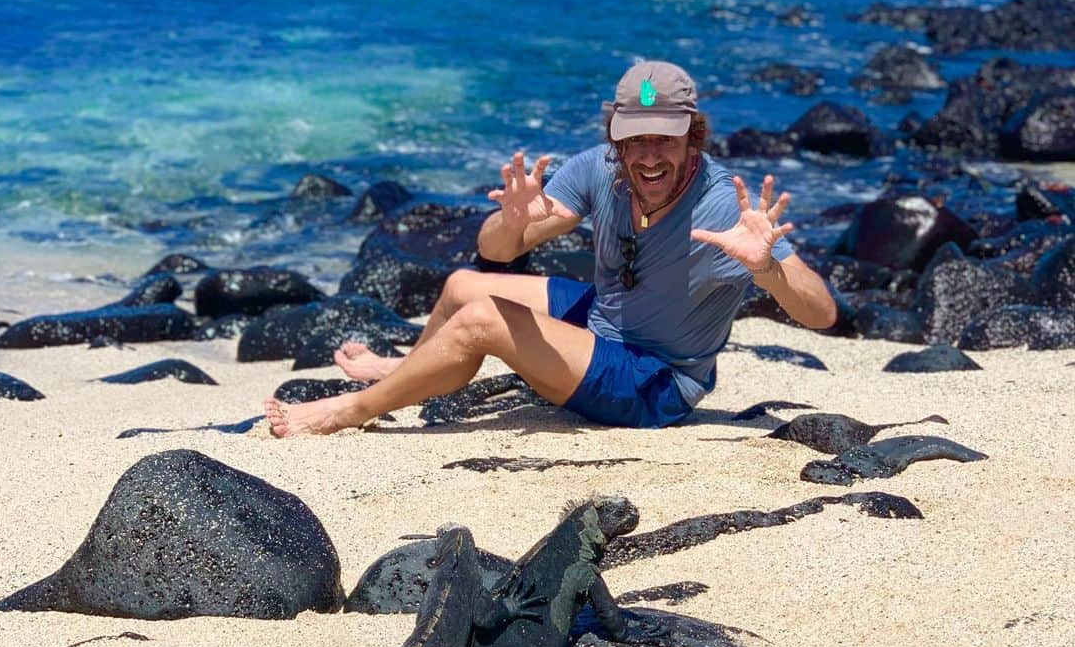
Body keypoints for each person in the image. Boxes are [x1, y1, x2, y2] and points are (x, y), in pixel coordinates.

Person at [263, 60, 836, 438]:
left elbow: (824, 313)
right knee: (464, 287)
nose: (649, 153)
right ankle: (412, 369)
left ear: (694, 135)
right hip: (605, 327)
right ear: (616, 135)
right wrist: (512, 223)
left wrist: (768, 273)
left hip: (654, 381)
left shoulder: (722, 205)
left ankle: (353, 410)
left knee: (482, 320)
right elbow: (493, 251)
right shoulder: (599, 168)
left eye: (665, 136)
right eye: (635, 137)